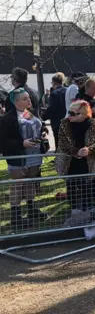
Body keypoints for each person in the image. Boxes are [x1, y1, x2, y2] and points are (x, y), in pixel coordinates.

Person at [0, 89, 48, 228]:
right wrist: (22, 143)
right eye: (25, 98)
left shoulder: (29, 113)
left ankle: (31, 209)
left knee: (30, 182)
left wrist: (43, 133)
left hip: (35, 154)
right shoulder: (7, 119)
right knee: (18, 184)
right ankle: (16, 216)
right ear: (16, 102)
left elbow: (41, 125)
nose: (29, 100)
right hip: (19, 157)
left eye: (29, 98)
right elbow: (3, 142)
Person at [56, 100, 95, 226]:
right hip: (69, 160)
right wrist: (76, 152)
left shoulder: (94, 124)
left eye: (73, 113)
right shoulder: (64, 124)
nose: (69, 115)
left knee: (86, 185)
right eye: (69, 112)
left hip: (87, 161)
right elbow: (62, 143)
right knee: (71, 184)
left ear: (83, 114)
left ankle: (89, 210)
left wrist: (89, 150)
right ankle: (75, 212)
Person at [42, 72, 68, 147]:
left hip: (57, 122)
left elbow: (51, 109)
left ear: (54, 83)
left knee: (59, 144)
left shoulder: (54, 94)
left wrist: (43, 116)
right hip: (68, 121)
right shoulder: (67, 91)